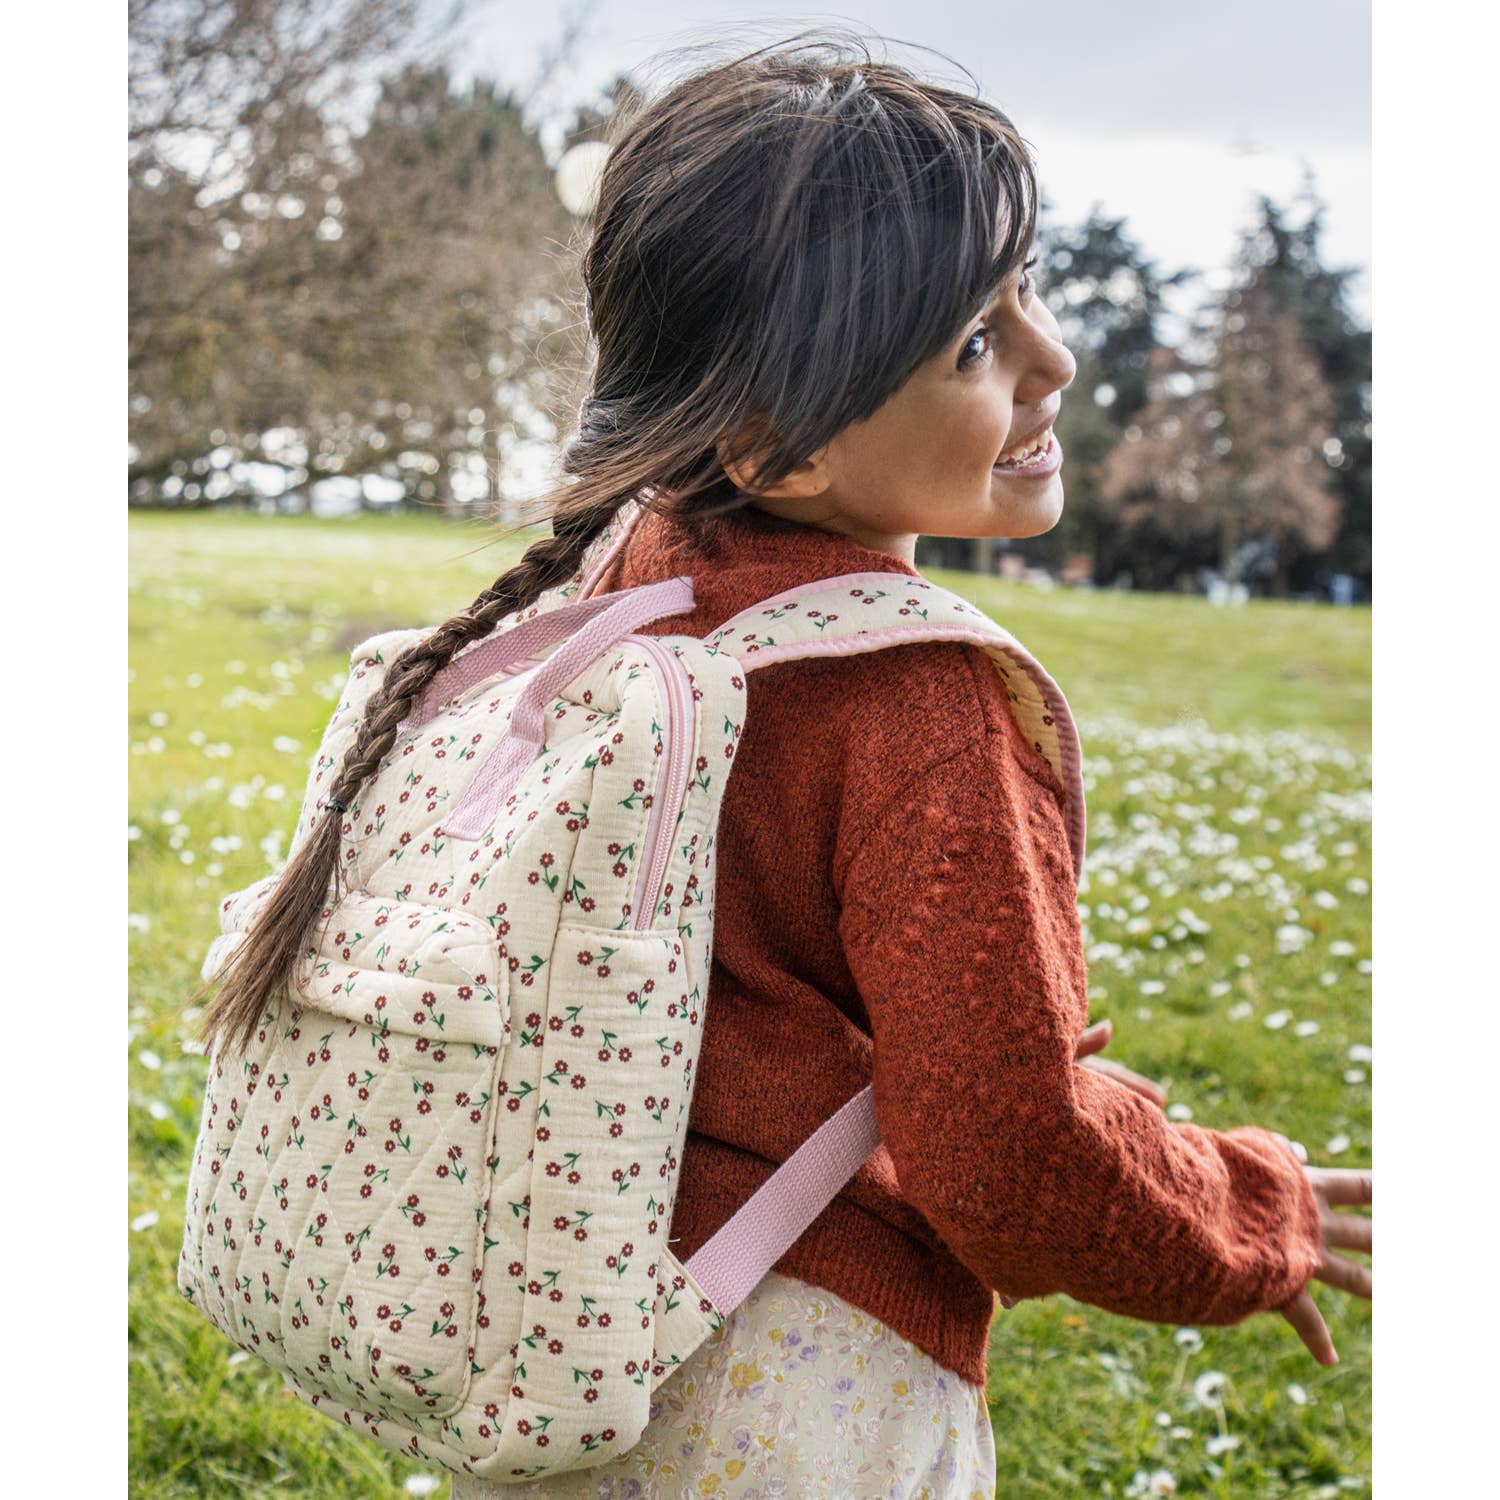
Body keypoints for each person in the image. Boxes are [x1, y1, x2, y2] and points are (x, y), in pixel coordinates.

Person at [206, 30, 1371, 1499]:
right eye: (974, 342)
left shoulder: (626, 584)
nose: (1054, 361)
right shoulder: (921, 700)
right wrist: (1244, 1213)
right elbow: (1005, 1160)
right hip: (804, 1396)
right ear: (773, 441)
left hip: (566, 1329)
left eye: (1028, 290)